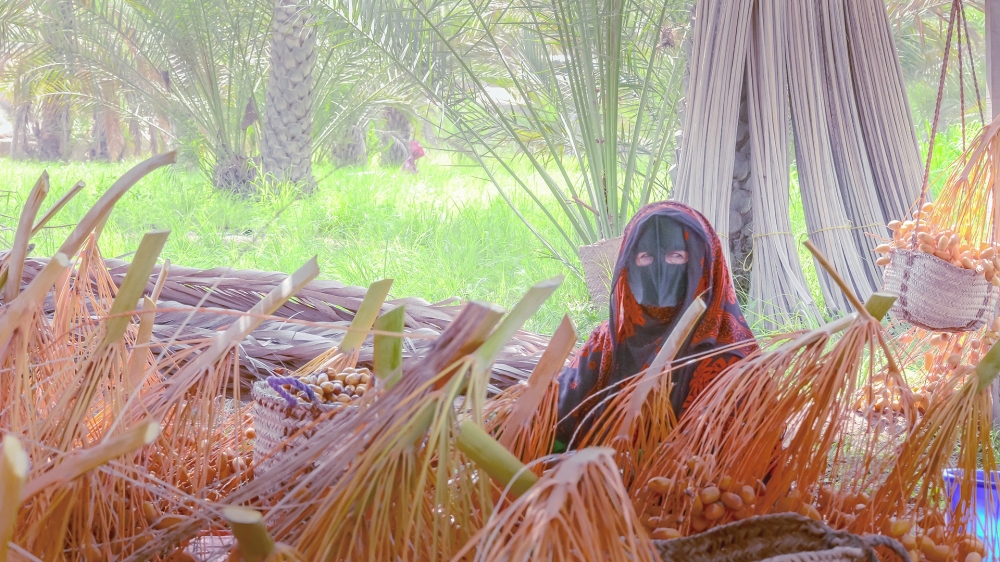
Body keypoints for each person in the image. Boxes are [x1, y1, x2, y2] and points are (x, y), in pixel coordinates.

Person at [555, 201, 758, 448]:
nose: (661, 271)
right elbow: (555, 417)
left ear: (704, 264)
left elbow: (747, 459)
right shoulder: (609, 343)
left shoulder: (730, 358)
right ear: (629, 263)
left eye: (676, 256)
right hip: (598, 481)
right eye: (646, 256)